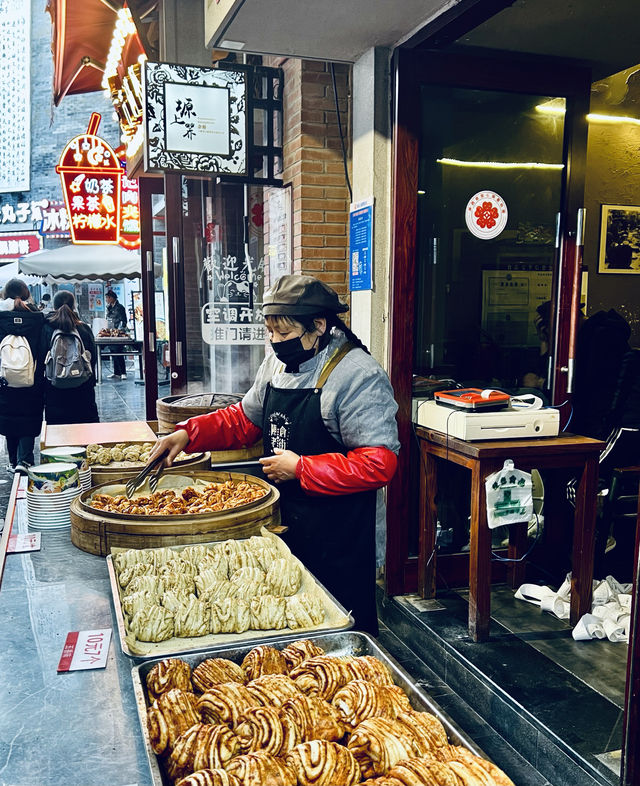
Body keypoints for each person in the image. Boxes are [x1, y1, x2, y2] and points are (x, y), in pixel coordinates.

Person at [150, 274, 400, 635]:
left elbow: (379, 464)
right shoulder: (275, 365)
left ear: (319, 325)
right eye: (270, 333)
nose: (275, 342)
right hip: (287, 520)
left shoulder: (357, 375)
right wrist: (187, 435)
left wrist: (301, 467)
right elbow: (244, 420)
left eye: (283, 334)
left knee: (339, 630)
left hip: (341, 534)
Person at [0, 278, 44, 474]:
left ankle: (12, 461)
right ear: (26, 294)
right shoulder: (37, 318)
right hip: (33, 379)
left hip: (5, 380)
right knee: (29, 416)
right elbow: (43, 348)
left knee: (9, 418)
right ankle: (25, 460)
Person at [41, 291, 99, 425]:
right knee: (85, 437)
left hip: (55, 394)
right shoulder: (84, 329)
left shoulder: (46, 328)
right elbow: (92, 360)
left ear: (54, 307)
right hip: (83, 393)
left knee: (58, 439)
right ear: (74, 306)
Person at [105, 289, 128, 379]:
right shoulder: (109, 308)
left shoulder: (120, 307)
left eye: (107, 298)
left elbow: (124, 321)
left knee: (119, 352)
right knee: (113, 352)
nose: (106, 300)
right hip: (110, 332)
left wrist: (119, 330)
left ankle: (123, 372)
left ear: (112, 298)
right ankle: (116, 373)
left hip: (118, 333)